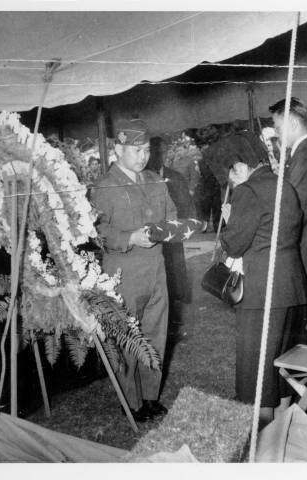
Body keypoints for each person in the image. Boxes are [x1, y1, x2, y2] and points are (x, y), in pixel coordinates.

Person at [90, 119, 177, 422]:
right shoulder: (105, 186)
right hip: (123, 274)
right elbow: (98, 230)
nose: (142, 156)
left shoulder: (154, 179)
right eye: (136, 150)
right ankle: (133, 400)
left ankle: (150, 396)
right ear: (118, 149)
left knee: (155, 335)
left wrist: (171, 229)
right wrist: (129, 238)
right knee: (128, 337)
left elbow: (171, 214)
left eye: (146, 150)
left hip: (156, 270)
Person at [220, 156, 307, 427]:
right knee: (282, 366)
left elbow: (234, 245)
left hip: (262, 292)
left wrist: (230, 218)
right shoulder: (285, 185)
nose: (233, 181)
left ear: (241, 167)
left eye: (232, 174)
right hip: (291, 287)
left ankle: (261, 439)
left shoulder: (247, 191)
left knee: (256, 371)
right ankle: (284, 431)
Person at [269, 98, 307, 323]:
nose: (277, 133)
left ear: (293, 125)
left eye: (278, 128)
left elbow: (294, 209)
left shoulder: (305, 155)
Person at [147, 136, 195, 304]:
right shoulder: (141, 178)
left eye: (162, 152)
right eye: (155, 152)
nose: (159, 156)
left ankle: (179, 299)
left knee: (176, 268)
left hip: (173, 233)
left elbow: (187, 205)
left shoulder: (176, 177)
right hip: (151, 235)